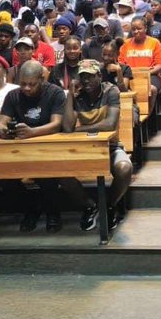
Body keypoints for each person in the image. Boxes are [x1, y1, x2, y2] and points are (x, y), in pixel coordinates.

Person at [0, 61, 72, 233]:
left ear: (42, 79)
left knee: (45, 173)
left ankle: (53, 213)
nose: (27, 88)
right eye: (23, 84)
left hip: (48, 148)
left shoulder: (55, 93)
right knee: (5, 180)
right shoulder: (13, 95)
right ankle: (31, 208)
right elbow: (1, 122)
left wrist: (33, 132)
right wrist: (2, 131)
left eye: (32, 84)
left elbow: (57, 124)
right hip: (20, 149)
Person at [61, 59, 132, 231]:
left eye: (90, 77)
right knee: (60, 174)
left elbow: (109, 124)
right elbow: (67, 127)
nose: (86, 81)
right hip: (82, 149)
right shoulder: (77, 95)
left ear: (99, 76)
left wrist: (81, 129)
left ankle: (108, 206)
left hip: (110, 147)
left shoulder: (111, 91)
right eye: (82, 77)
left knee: (124, 168)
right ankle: (90, 206)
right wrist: (70, 95)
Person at [119, 16, 161, 109]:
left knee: (151, 89)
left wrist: (145, 73)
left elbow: (160, 65)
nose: (136, 31)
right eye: (133, 29)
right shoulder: (125, 43)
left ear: (145, 28)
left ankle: (147, 116)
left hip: (151, 75)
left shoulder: (154, 42)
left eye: (139, 28)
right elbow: (121, 63)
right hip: (129, 76)